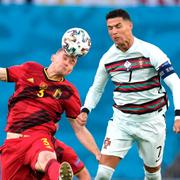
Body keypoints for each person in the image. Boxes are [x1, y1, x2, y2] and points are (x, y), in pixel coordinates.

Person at [77, 9, 180, 180]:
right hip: (122, 122)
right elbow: (96, 88)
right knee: (102, 174)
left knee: (153, 176)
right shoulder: (108, 59)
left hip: (151, 122)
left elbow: (175, 82)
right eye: (110, 28)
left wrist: (178, 115)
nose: (114, 32)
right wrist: (85, 109)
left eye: (118, 26)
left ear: (130, 26)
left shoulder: (150, 51)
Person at [0, 48, 100, 180]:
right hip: (12, 144)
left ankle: (58, 175)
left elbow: (79, 129)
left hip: (38, 137)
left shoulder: (69, 92)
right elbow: (2, 73)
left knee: (46, 157)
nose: (67, 63)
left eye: (72, 63)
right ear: (53, 57)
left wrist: (98, 154)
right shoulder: (30, 69)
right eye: (65, 58)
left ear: (71, 70)